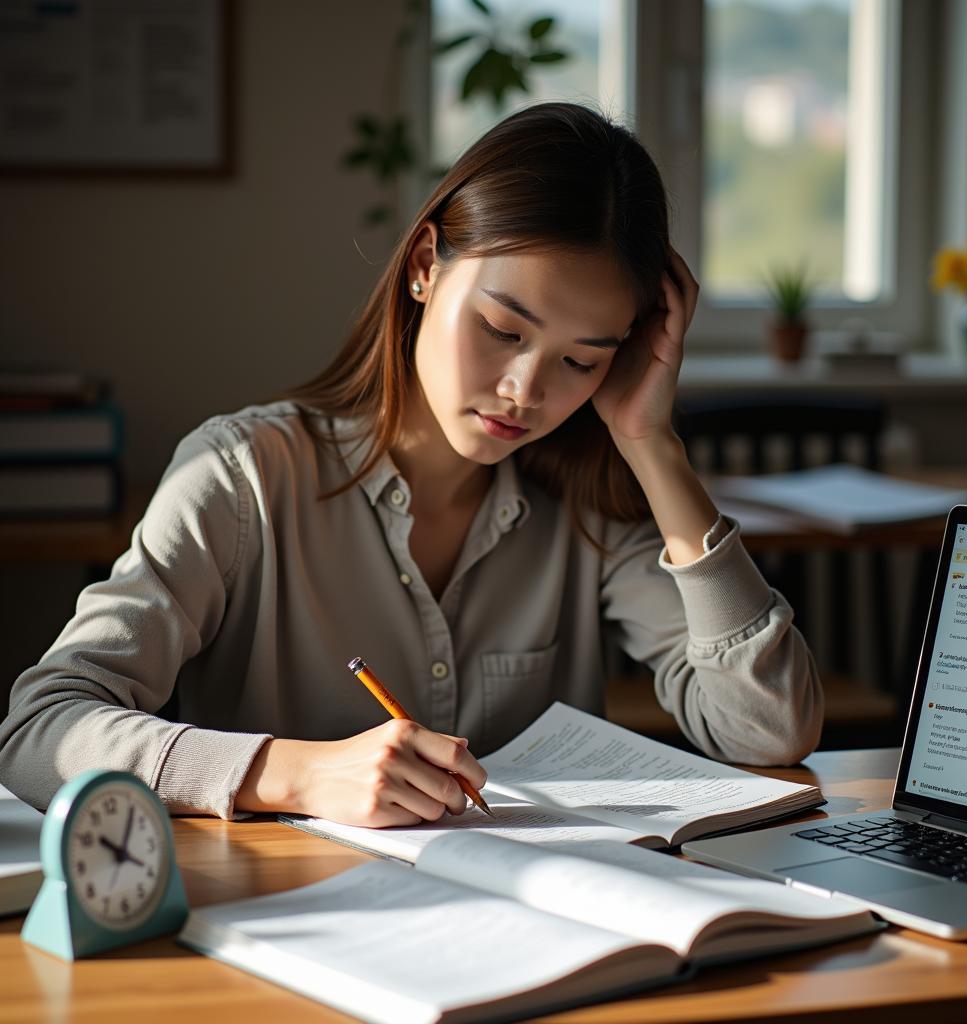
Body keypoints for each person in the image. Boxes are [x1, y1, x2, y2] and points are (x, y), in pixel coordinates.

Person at [0, 102, 822, 826]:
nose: (523, 391)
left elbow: (769, 729)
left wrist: (651, 444)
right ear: (426, 266)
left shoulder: (585, 505)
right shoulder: (242, 478)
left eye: (583, 360)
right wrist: (297, 773)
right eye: (503, 329)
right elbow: (41, 730)